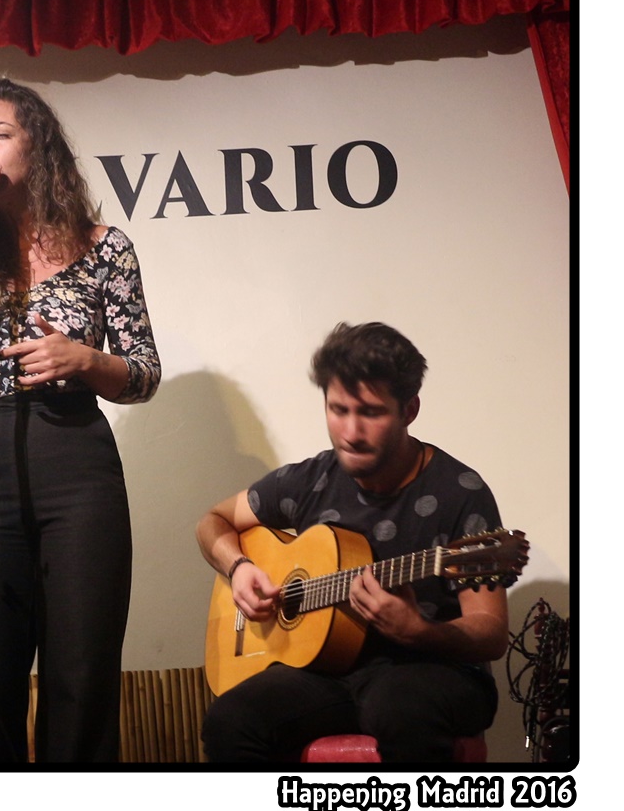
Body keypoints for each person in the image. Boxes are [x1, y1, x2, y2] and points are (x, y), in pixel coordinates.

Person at [0, 75, 161, 762]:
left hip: (77, 459)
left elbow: (143, 373)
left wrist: (84, 359)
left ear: (39, 147)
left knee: (80, 674)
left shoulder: (104, 246)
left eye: (1, 133)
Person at [196, 322, 507, 762]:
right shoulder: (311, 479)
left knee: (399, 708)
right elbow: (213, 522)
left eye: (371, 413)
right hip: (328, 672)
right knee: (230, 721)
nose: (351, 432)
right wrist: (239, 566)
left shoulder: (460, 492)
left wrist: (421, 631)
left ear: (410, 409)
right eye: (338, 410)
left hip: (432, 669)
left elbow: (491, 632)